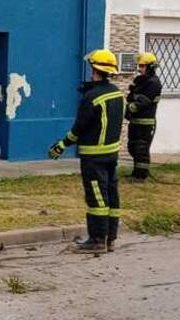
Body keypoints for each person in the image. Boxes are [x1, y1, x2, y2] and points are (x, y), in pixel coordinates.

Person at [48, 50, 125, 253]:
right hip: (111, 155)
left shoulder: (91, 97)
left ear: (95, 69)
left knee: (97, 198)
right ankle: (110, 238)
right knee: (111, 195)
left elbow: (79, 128)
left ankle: (97, 240)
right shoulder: (117, 93)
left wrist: (61, 146)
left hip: (94, 157)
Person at [126, 53, 163, 180]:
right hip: (135, 121)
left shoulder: (154, 83)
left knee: (141, 148)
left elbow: (143, 101)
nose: (139, 69)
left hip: (145, 122)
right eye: (139, 66)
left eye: (142, 66)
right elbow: (131, 96)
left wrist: (129, 107)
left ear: (150, 67)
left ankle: (141, 176)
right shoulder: (141, 81)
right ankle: (136, 172)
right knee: (132, 147)